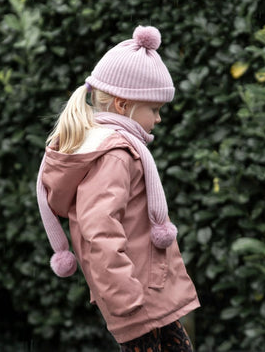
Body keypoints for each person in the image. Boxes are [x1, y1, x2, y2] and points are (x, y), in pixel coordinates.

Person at [36, 25, 200, 351]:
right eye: (154, 110)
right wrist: (126, 295)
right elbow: (99, 229)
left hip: (146, 291)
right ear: (124, 106)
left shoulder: (115, 148)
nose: (158, 119)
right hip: (135, 296)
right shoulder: (114, 155)